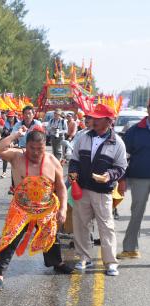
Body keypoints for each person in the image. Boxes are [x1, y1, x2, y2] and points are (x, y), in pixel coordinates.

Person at [0, 125, 72, 291]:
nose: (36, 152)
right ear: (25, 146)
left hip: (45, 208)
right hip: (21, 208)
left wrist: (63, 209)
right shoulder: (16, 156)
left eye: (40, 149)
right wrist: (16, 135)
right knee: (10, 238)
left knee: (51, 235)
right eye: (32, 148)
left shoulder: (52, 161)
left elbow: (61, 187)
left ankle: (57, 262)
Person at [68, 104, 127, 276]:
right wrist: (73, 180)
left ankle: (110, 263)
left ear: (108, 121)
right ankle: (83, 258)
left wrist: (109, 175)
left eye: (97, 118)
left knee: (106, 227)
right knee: (80, 224)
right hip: (83, 189)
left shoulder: (118, 143)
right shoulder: (83, 137)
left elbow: (121, 168)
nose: (92, 120)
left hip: (103, 192)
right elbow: (74, 161)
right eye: (92, 117)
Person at [117, 101, 150, 259]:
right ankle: (130, 248)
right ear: (148, 109)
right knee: (137, 213)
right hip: (139, 178)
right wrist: (122, 178)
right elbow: (123, 157)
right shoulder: (135, 131)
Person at [1, 111, 17, 178]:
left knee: (16, 158)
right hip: (7, 141)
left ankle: (16, 172)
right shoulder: (6, 124)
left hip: (16, 142)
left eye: (11, 117)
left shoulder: (18, 124)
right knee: (5, 157)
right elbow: (4, 134)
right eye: (9, 117)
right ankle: (4, 172)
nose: (10, 118)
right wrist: (5, 131)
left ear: (14, 117)